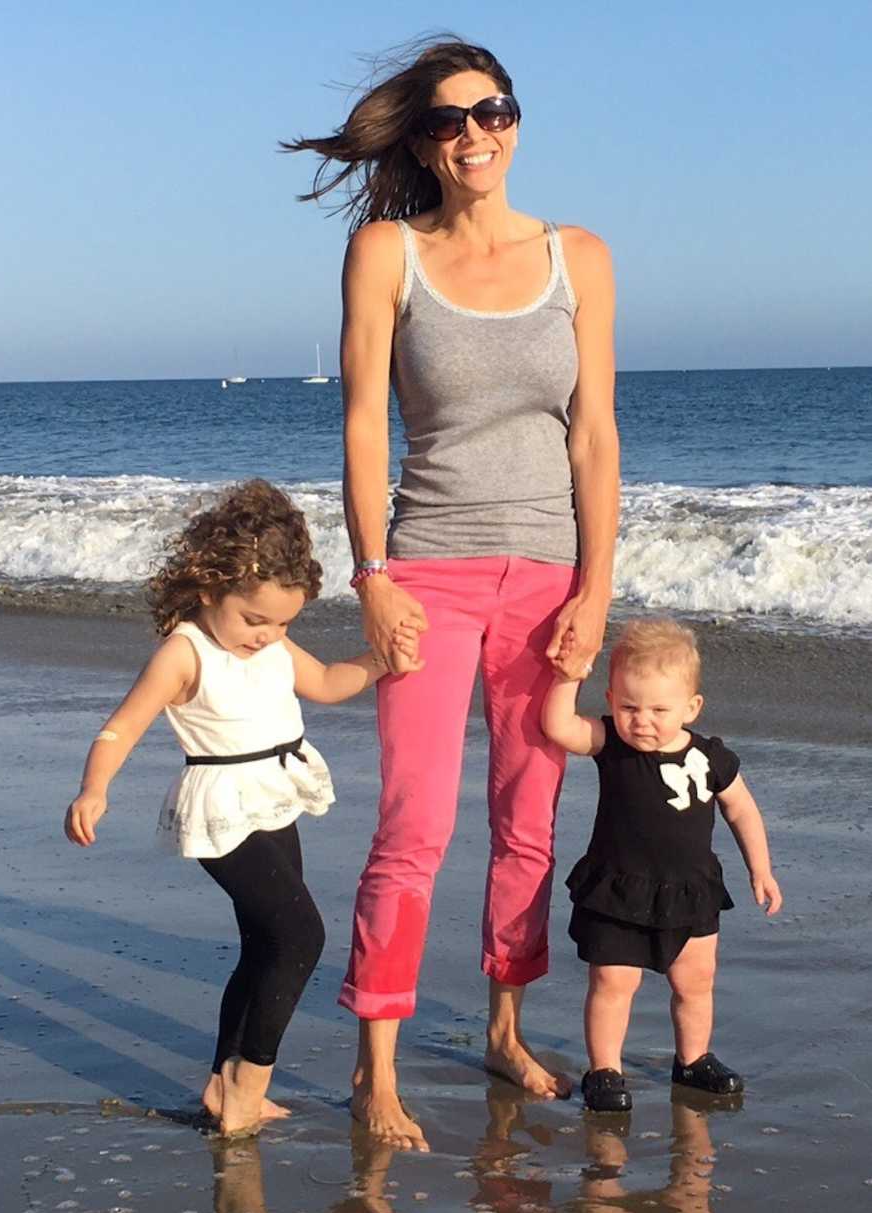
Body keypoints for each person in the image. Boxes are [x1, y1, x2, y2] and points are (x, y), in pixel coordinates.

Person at [286, 37, 619, 1147]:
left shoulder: (581, 255)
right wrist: (371, 576)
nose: (475, 134)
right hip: (425, 570)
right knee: (415, 823)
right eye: (449, 121)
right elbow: (362, 423)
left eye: (494, 111)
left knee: (529, 822)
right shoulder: (388, 252)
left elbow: (596, 443)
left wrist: (596, 590)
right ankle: (375, 1069)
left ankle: (504, 1026)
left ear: (516, 121)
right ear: (422, 142)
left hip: (548, 577)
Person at [63, 480, 420, 1137]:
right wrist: (95, 788)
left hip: (275, 794)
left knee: (262, 944)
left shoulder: (276, 646)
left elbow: (328, 684)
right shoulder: (185, 652)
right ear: (208, 591)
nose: (268, 635)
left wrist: (381, 662)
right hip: (222, 809)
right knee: (300, 936)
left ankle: (218, 1080)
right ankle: (247, 1086)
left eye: (283, 623)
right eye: (255, 620)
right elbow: (122, 727)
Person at [542, 618, 783, 1112]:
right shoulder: (611, 745)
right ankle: (605, 1070)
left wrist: (760, 868)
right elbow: (558, 726)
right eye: (628, 706)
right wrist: (571, 673)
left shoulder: (710, 757)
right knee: (613, 983)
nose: (642, 720)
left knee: (695, 982)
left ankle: (693, 1059)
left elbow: (741, 809)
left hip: (690, 890)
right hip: (620, 891)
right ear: (610, 701)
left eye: (658, 709)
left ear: (692, 707)